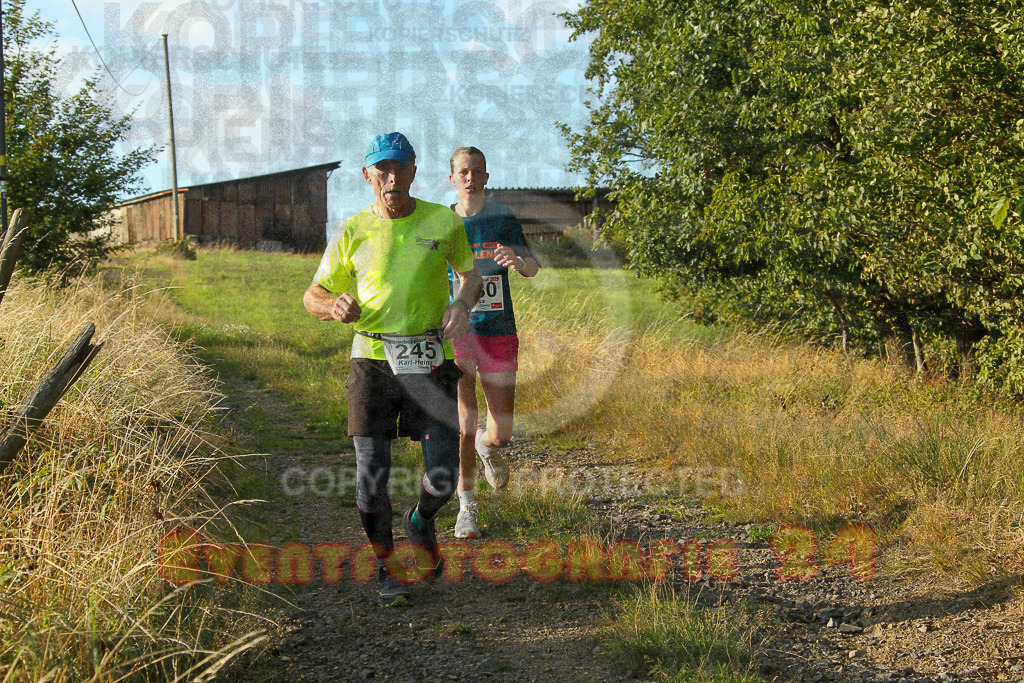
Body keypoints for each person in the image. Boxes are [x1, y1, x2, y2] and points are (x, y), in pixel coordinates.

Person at [303, 132, 482, 607]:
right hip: (372, 360)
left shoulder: (441, 221)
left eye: (401, 167)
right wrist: (330, 306)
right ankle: (386, 565)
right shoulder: (352, 230)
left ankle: (420, 521)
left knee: (443, 474)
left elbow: (471, 275)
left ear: (414, 173)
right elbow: (312, 293)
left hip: (429, 359)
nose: (392, 176)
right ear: (367, 175)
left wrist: (462, 304)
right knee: (371, 476)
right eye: (382, 168)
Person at [447, 147, 539, 539]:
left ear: (486, 177)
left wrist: (516, 262)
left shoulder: (502, 217)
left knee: (500, 434)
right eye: (463, 172)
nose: (470, 177)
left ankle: (488, 449)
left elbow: (533, 267)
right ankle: (467, 509)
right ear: (452, 178)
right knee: (465, 426)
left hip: (499, 330)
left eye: (477, 172)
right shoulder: (439, 222)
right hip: (458, 332)